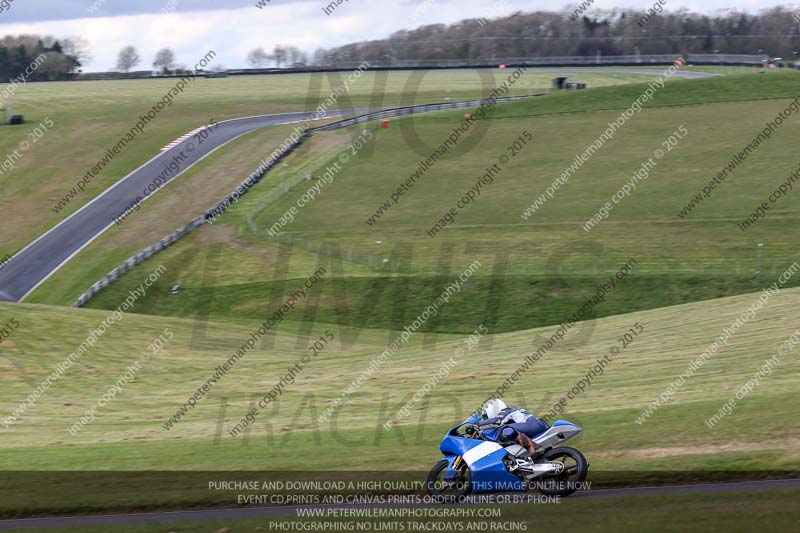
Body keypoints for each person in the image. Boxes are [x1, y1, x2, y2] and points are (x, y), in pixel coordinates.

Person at [479, 399, 549, 458]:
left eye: (485, 417)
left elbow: (496, 421)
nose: (486, 419)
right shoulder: (512, 410)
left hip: (534, 424)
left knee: (505, 430)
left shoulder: (506, 411)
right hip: (538, 424)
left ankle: (534, 448)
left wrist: (478, 426)